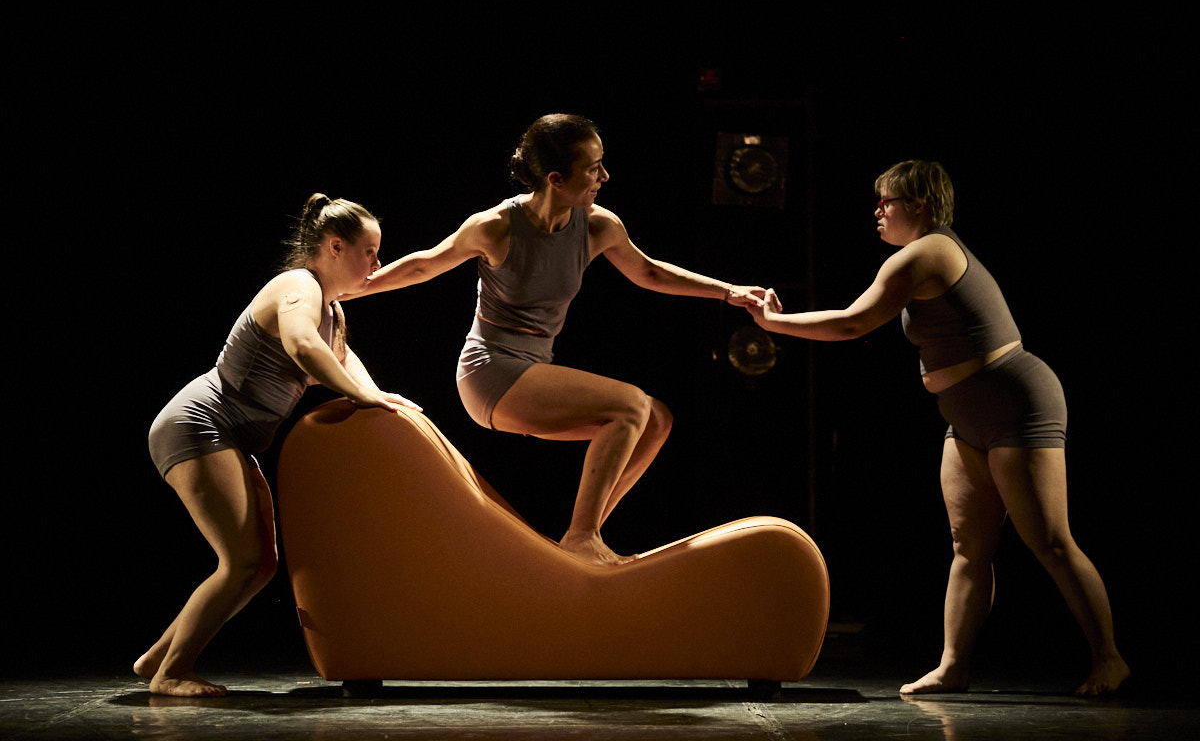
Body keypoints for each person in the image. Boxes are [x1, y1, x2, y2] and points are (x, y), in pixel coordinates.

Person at [743, 160, 1129, 696]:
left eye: (887, 202)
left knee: (1050, 541)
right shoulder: (919, 255)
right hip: (965, 412)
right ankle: (953, 666)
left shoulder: (927, 251)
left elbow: (855, 321)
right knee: (968, 547)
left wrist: (773, 323)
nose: (877, 212)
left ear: (919, 205)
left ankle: (1110, 659)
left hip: (1015, 401)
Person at [350, 114, 767, 566]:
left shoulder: (597, 226)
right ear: (555, 179)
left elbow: (647, 271)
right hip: (489, 371)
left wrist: (727, 292)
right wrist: (353, 287)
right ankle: (582, 537)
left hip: (534, 371)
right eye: (592, 169)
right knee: (630, 404)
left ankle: (578, 544)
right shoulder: (496, 226)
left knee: (655, 420)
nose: (604, 177)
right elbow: (423, 265)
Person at [137, 194, 418, 698]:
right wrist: (363, 396)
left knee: (261, 563)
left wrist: (379, 399)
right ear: (335, 246)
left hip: (226, 435)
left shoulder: (330, 309)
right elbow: (302, 346)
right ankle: (171, 674)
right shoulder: (298, 286)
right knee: (241, 560)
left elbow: (341, 357)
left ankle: (158, 657)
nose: (377, 264)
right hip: (200, 423)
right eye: (370, 252)